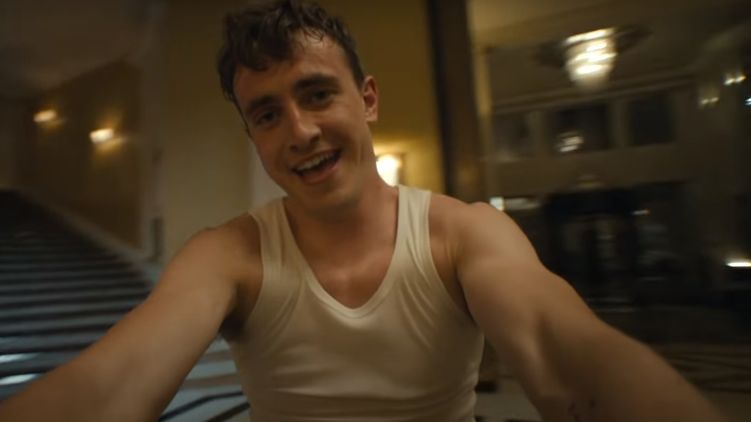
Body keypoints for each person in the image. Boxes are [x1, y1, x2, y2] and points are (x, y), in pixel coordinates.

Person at [0, 1, 727, 421]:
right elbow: (113, 383)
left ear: (367, 99)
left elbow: (569, 358)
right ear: (252, 135)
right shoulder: (227, 254)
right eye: (267, 114)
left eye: (317, 94)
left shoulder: (464, 232)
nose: (299, 132)